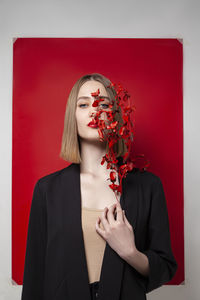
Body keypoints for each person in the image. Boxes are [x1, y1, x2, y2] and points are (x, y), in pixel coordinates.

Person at [21, 73, 178, 300]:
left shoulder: (148, 186)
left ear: (116, 114)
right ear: (72, 117)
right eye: (83, 104)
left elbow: (165, 268)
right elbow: (35, 277)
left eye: (103, 103)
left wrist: (130, 252)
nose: (94, 110)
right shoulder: (47, 190)